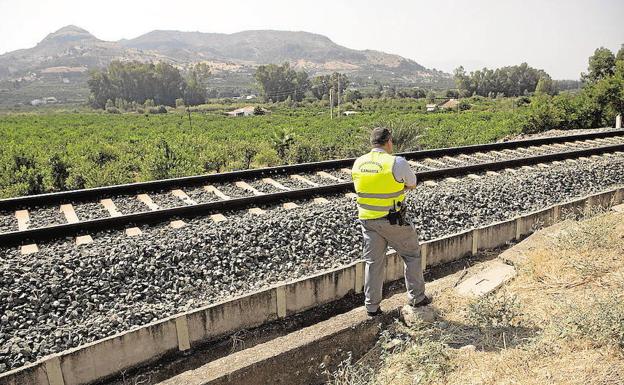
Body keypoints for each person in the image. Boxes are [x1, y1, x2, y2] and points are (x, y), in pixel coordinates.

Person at [351, 127, 431, 316]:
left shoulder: (358, 162)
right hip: (393, 220)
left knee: (373, 262)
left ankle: (372, 307)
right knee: (411, 255)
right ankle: (417, 299)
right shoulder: (396, 162)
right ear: (389, 142)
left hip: (367, 220)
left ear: (372, 143)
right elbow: (412, 183)